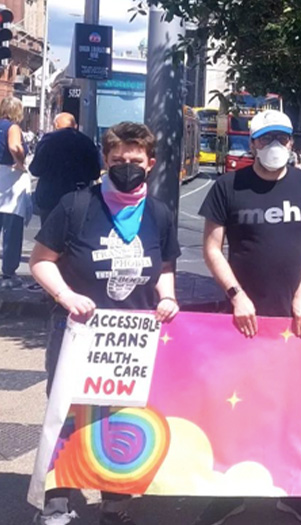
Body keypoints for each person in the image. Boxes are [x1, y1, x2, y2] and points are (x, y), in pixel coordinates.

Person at [29, 122, 180, 525]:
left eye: (135, 161)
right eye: (118, 160)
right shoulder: (76, 206)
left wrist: (167, 296)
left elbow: (164, 266)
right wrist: (66, 296)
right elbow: (40, 261)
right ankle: (57, 501)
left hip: (131, 341)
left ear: (150, 163)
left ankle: (115, 504)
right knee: (67, 415)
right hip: (76, 333)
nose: (126, 168)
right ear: (105, 162)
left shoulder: (160, 214)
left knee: (121, 419)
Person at [197, 109, 301, 525]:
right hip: (242, 322)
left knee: (293, 409)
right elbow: (212, 247)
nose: (275, 146)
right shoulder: (228, 186)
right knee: (237, 409)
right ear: (252, 143)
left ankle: (291, 492)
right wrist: (236, 295)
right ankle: (229, 493)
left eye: (283, 138)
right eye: (266, 139)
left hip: (296, 322)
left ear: (292, 142)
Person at [30, 113, 102, 224]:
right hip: (77, 197)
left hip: (50, 197)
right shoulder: (87, 142)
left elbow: (35, 169)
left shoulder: (48, 140)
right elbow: (95, 173)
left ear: (56, 125)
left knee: (48, 236)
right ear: (75, 126)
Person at [0, 97, 30, 289]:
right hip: (9, 180)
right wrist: (20, 163)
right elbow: (14, 146)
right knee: (12, 228)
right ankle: (8, 272)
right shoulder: (13, 127)